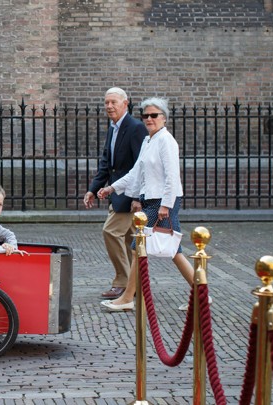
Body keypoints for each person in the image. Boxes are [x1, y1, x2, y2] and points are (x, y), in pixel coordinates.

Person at [97, 97, 195, 312]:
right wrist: (112, 188)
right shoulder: (148, 141)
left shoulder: (166, 141)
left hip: (161, 202)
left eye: (154, 115)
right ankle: (201, 294)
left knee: (138, 248)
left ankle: (127, 298)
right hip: (150, 200)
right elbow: (136, 173)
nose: (149, 119)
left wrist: (166, 205)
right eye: (145, 116)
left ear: (164, 118)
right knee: (172, 251)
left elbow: (172, 176)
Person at [83, 87, 148, 300]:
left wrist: (138, 198)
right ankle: (135, 284)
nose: (109, 106)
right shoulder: (113, 128)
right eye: (106, 102)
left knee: (110, 231)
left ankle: (122, 282)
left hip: (129, 195)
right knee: (131, 241)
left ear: (125, 103)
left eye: (113, 102)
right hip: (117, 193)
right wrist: (93, 189)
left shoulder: (136, 128)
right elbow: (106, 163)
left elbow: (141, 166)